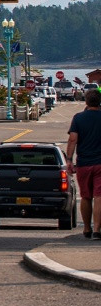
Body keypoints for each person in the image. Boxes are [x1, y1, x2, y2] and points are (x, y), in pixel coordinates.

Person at [66, 88, 101, 239]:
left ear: (86, 101)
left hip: (83, 163)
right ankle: (97, 229)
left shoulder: (78, 118)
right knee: (99, 196)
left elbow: (73, 139)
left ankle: (86, 228)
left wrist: (68, 160)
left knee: (86, 196)